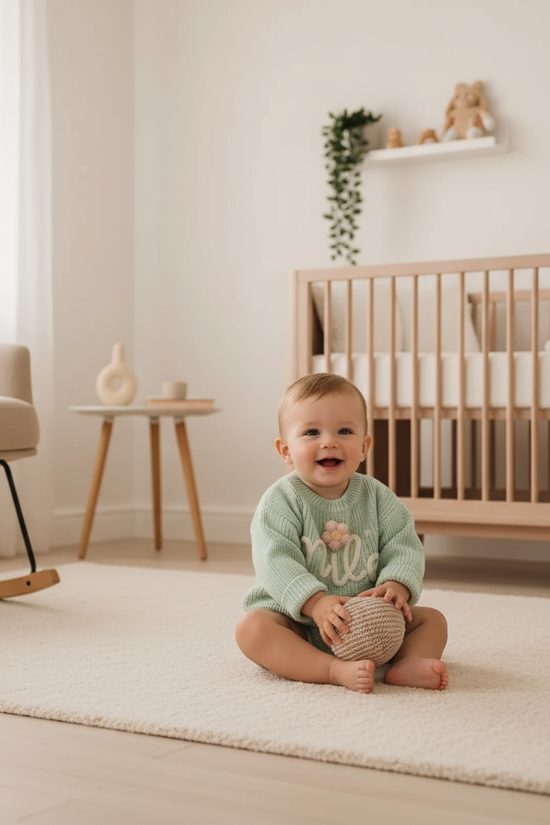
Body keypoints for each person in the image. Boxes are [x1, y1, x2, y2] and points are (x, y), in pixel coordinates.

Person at [235, 373, 448, 694]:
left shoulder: (378, 497)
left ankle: (407, 663)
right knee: (252, 629)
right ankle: (331, 669)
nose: (329, 441)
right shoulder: (280, 500)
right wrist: (315, 603)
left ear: (364, 447)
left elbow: (403, 545)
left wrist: (395, 585)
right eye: (311, 432)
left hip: (369, 623)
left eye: (344, 431)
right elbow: (274, 559)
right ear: (285, 450)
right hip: (299, 623)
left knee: (433, 620)